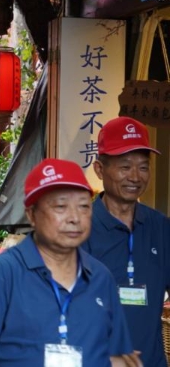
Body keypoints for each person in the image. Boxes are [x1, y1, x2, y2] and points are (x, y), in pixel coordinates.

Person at [0, 158, 140, 367]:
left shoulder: (101, 277)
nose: (74, 218)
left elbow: (116, 356)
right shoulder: (1, 275)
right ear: (32, 214)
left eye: (84, 206)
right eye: (61, 206)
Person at [82, 116, 170, 367]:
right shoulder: (77, 230)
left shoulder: (161, 228)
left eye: (143, 167)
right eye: (124, 166)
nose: (135, 176)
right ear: (100, 169)